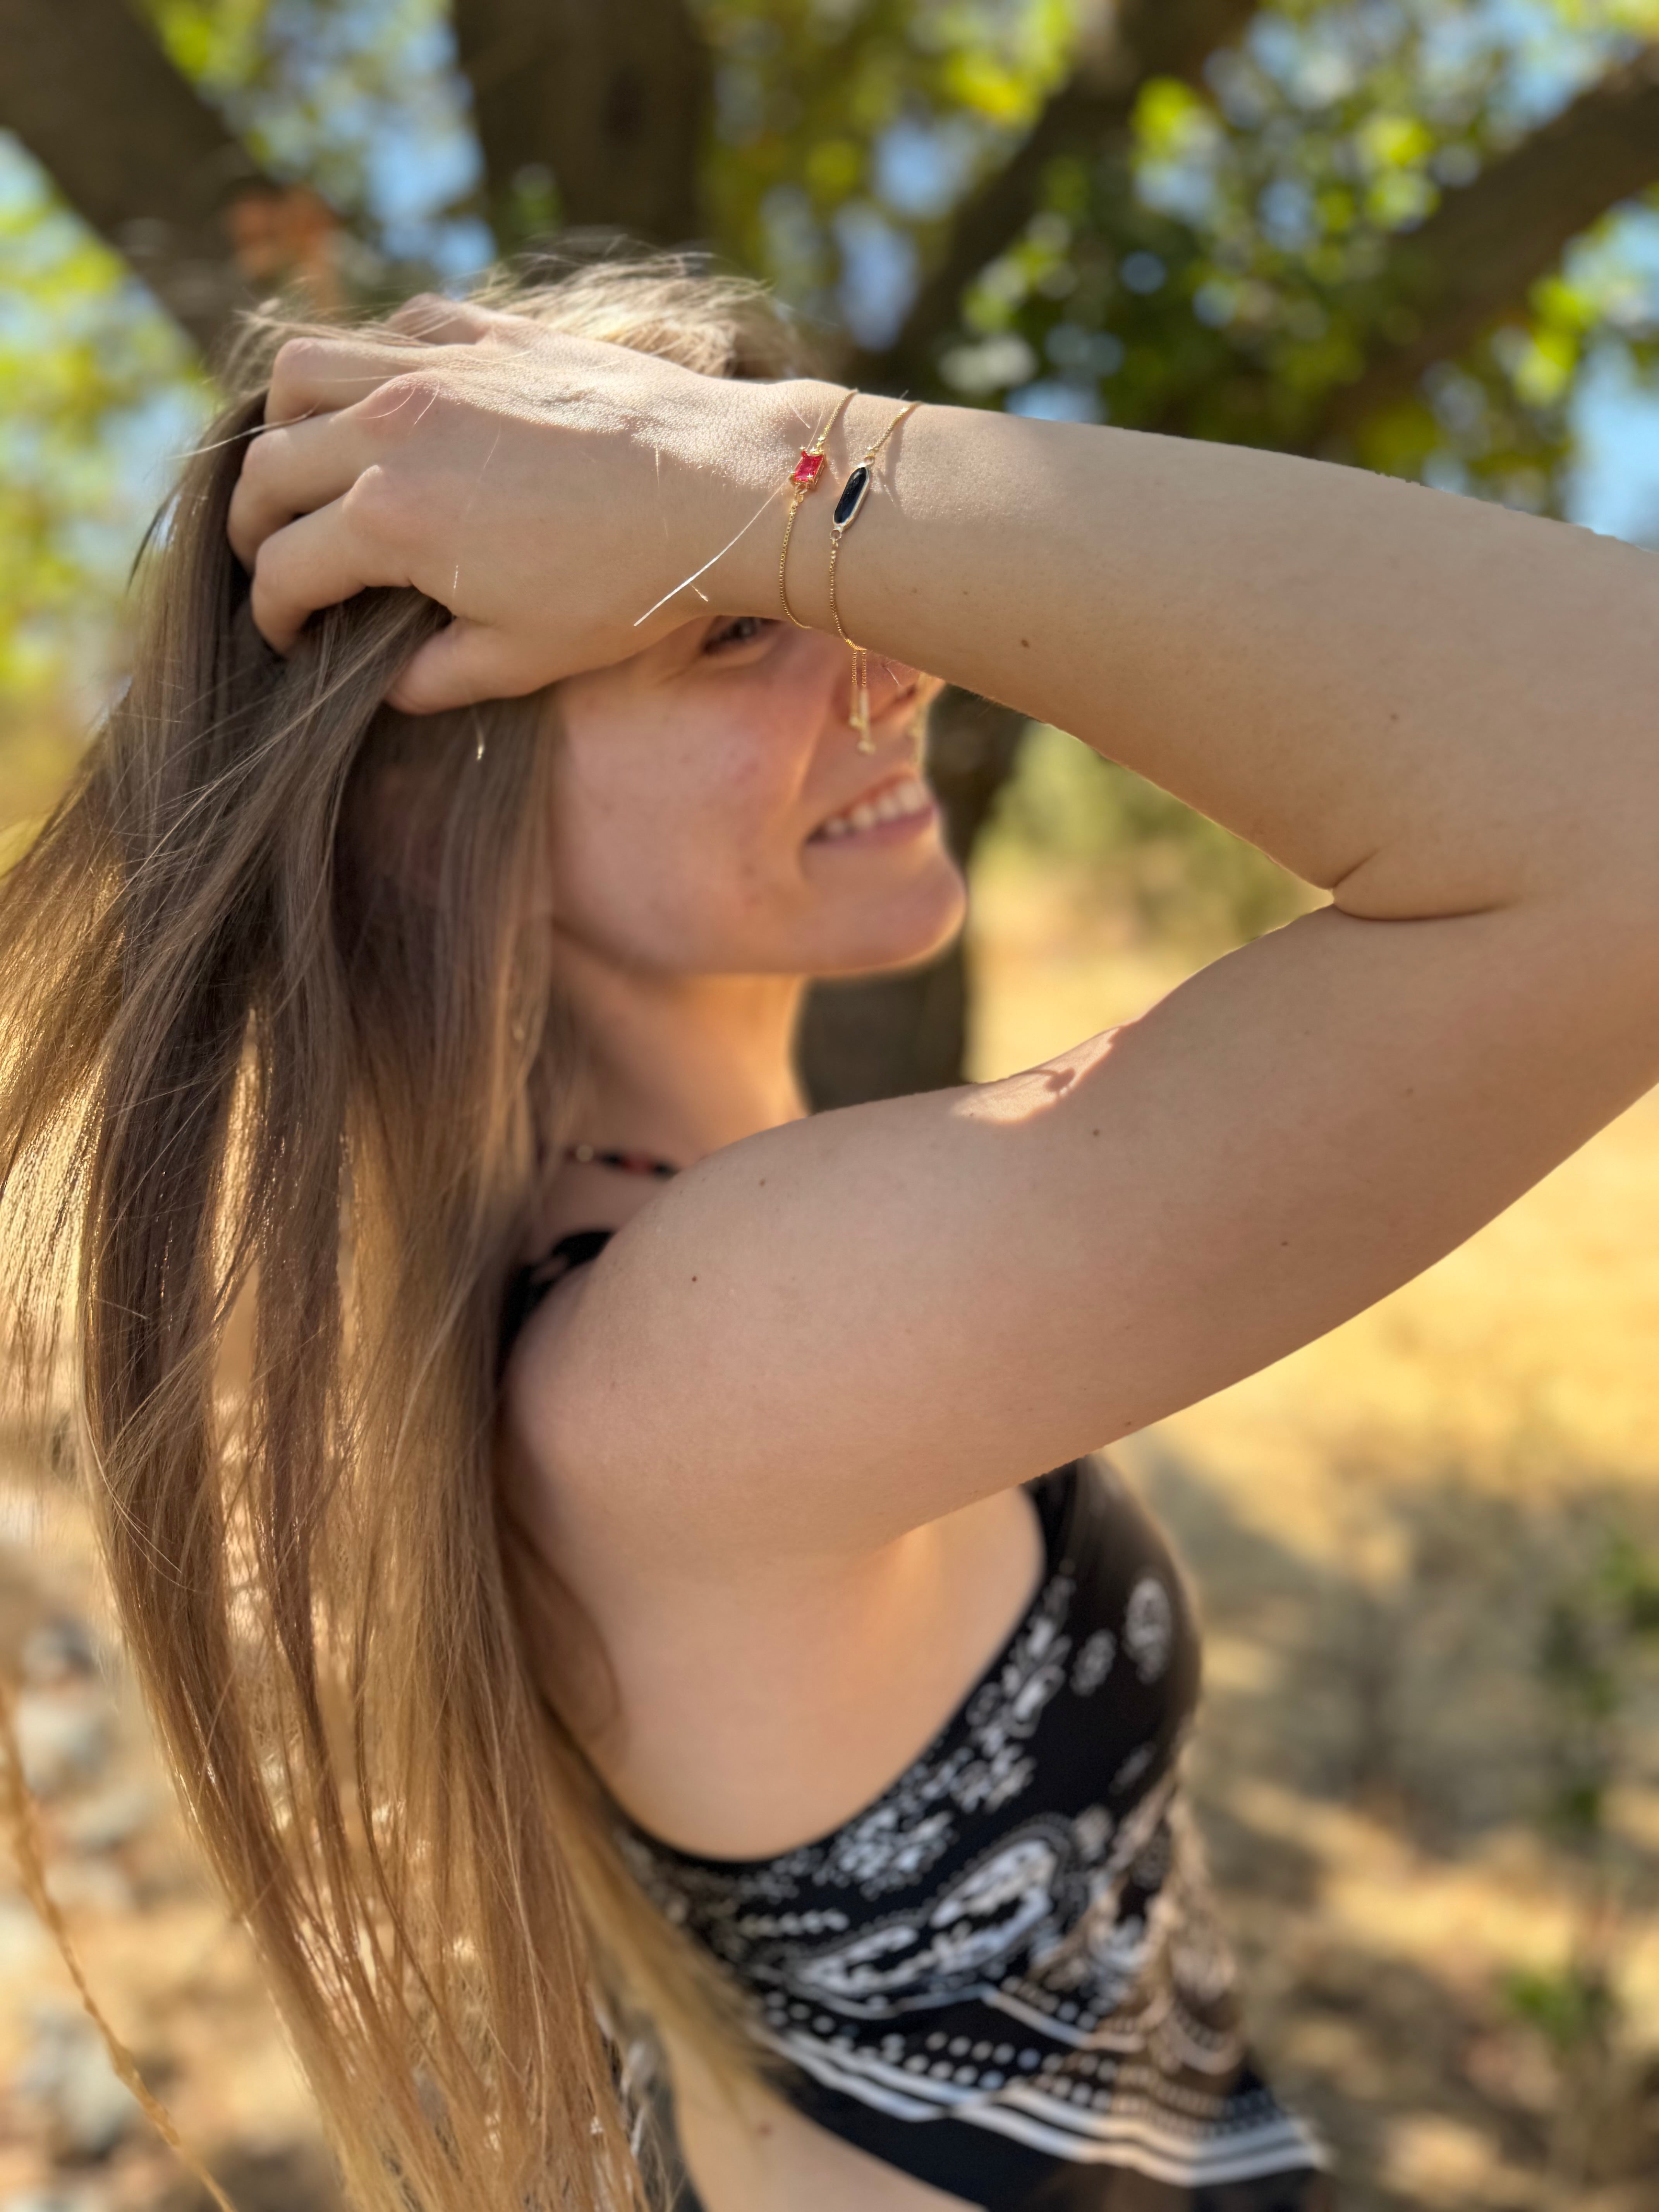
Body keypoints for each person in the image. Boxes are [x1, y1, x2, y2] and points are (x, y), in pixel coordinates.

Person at [2, 249, 1655, 2212]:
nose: (902, 658)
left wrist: (752, 509)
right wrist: (802, 469)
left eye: (808, 588)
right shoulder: (710, 1337)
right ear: (428, 817)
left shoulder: (648, 1274)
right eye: (726, 627)